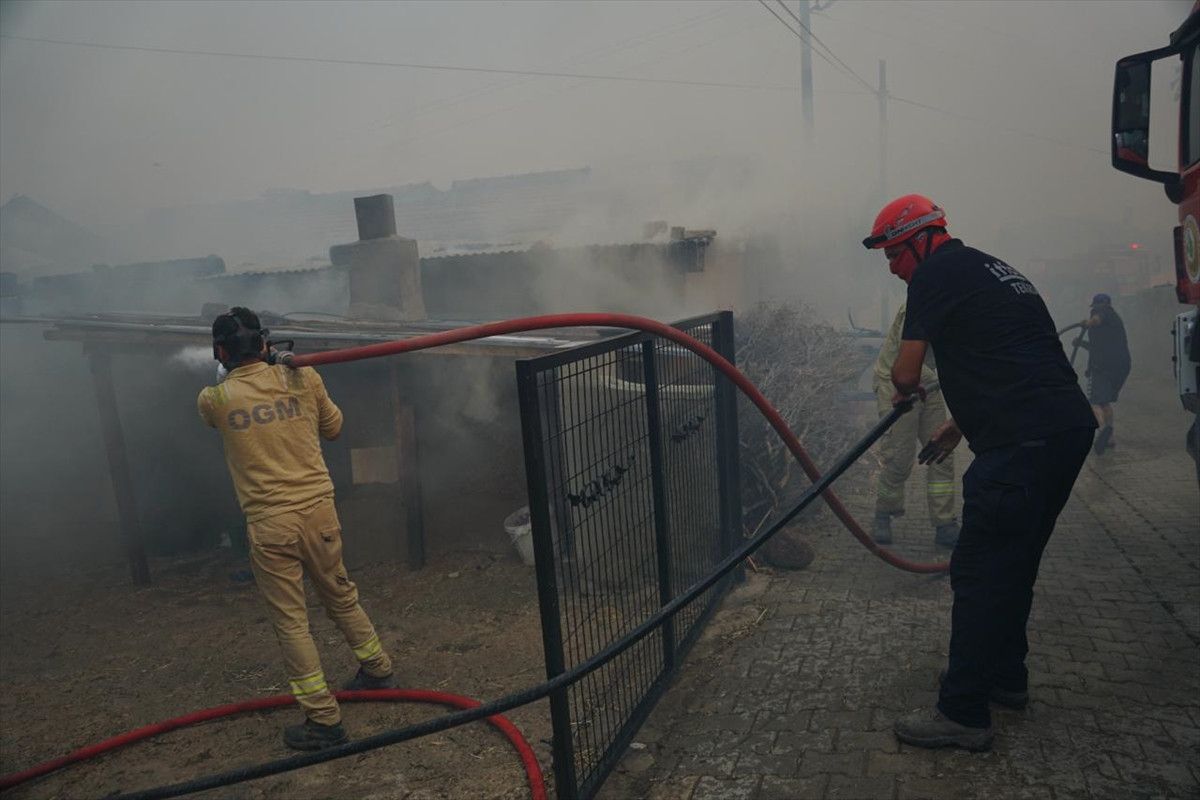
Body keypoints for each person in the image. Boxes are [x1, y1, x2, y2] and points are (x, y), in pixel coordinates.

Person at [862, 195, 1096, 751]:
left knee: (977, 572)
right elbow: (1015, 363)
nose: (892, 266)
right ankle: (1005, 679)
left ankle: (963, 710)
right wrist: (959, 426)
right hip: (1065, 432)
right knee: (1014, 563)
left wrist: (906, 386)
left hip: (1020, 446)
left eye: (894, 253)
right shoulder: (999, 272)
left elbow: (903, 373)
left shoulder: (934, 276)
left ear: (922, 239)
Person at [198, 306, 396, 751]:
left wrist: (233, 373)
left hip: (271, 525)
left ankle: (324, 721)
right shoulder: (304, 378)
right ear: (266, 343)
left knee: (292, 622)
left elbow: (215, 408)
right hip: (319, 512)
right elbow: (335, 428)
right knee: (341, 594)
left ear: (222, 351)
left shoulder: (215, 399)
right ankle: (378, 669)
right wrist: (295, 380)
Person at [872, 304, 960, 548]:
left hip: (929, 383)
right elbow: (907, 357)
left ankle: (945, 524)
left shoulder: (960, 304)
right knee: (899, 457)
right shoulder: (920, 302)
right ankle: (883, 513)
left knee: (942, 451)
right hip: (896, 381)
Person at [1073, 293, 1131, 455]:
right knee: (1104, 402)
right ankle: (1110, 437)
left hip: (1103, 366)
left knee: (1094, 403)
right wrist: (1081, 343)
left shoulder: (1104, 313)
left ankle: (1104, 431)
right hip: (1120, 366)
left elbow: (1098, 318)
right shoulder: (1114, 322)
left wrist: (1087, 323)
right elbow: (1098, 347)